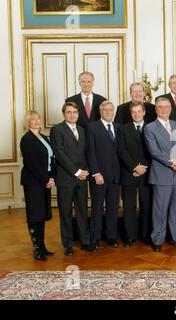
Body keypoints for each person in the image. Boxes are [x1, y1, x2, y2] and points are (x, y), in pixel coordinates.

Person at [144, 97, 176, 252]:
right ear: (156, 109)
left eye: (167, 106)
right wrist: (173, 165)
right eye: (160, 107)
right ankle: (157, 239)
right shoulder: (150, 128)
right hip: (162, 175)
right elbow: (155, 152)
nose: (164, 109)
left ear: (170, 108)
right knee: (160, 209)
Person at [50, 102, 93, 256]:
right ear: (64, 114)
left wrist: (85, 171)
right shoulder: (57, 130)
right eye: (69, 112)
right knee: (66, 213)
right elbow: (59, 154)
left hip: (82, 178)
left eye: (75, 112)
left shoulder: (82, 130)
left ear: (78, 114)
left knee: (82, 211)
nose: (72, 115)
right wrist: (76, 171)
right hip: (66, 179)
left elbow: (86, 152)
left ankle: (85, 242)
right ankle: (67, 245)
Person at [20, 111, 55, 261]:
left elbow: (52, 158)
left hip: (46, 180)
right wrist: (45, 179)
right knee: (35, 215)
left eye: (37, 118)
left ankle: (42, 247)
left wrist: (52, 177)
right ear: (27, 122)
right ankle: (37, 249)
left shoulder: (44, 137)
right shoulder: (26, 139)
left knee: (42, 215)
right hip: (34, 181)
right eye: (32, 119)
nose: (35, 121)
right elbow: (31, 164)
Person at [117, 101, 152, 247]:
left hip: (147, 172)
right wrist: (134, 167)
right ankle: (130, 236)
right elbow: (121, 150)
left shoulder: (151, 127)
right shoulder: (123, 129)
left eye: (139, 111)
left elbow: (154, 150)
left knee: (146, 205)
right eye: (134, 112)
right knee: (129, 207)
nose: (136, 114)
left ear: (144, 112)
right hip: (129, 173)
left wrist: (144, 167)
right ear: (131, 114)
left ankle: (145, 235)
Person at [86, 101, 121, 249]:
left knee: (113, 208)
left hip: (115, 176)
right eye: (105, 110)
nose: (108, 112)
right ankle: (95, 238)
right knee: (97, 208)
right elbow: (90, 152)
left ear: (113, 111)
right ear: (100, 112)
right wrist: (95, 173)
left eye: (110, 110)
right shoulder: (92, 127)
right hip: (99, 176)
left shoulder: (118, 127)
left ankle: (111, 237)